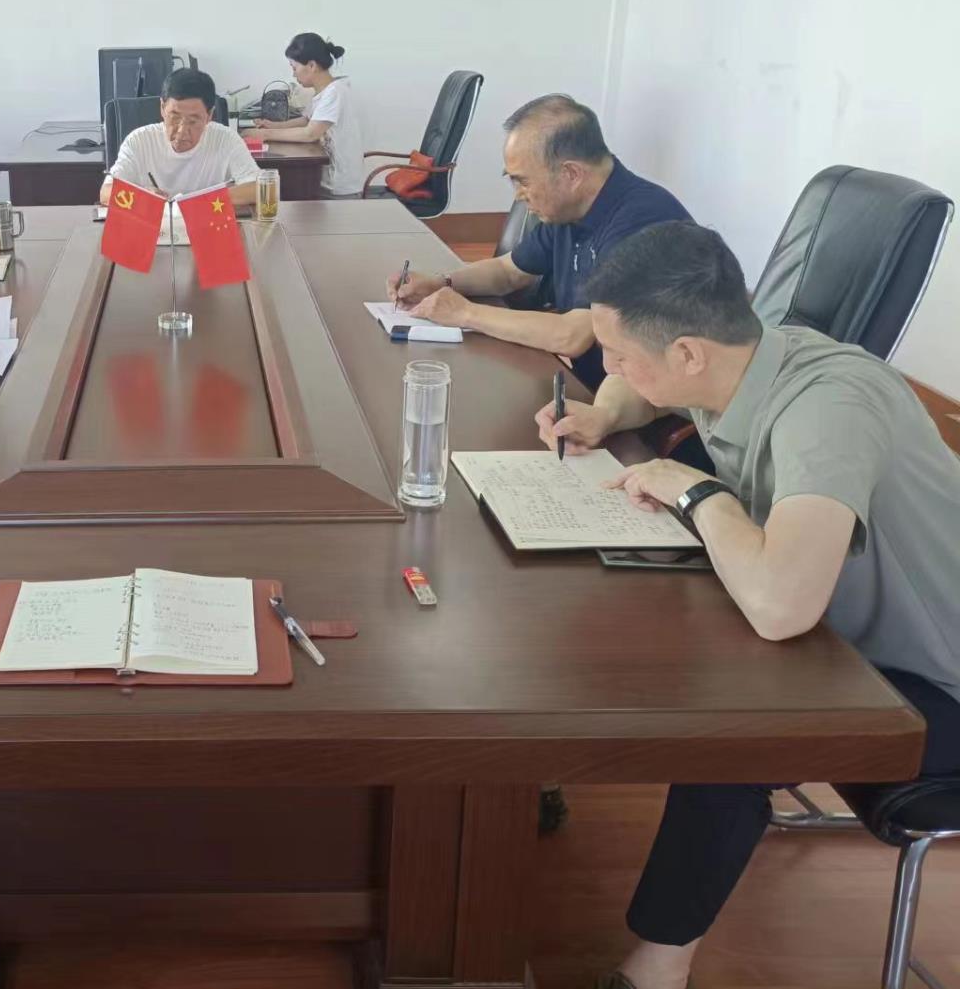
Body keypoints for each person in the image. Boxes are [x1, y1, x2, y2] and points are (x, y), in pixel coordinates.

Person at [531, 221, 960, 989]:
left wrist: (699, 492)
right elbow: (638, 387)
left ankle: (658, 971)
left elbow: (781, 607)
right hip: (848, 639)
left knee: (736, 727)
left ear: (688, 354)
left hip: (937, 683)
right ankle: (534, 773)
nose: (609, 368)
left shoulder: (828, 409)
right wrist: (605, 413)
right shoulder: (747, 352)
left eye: (619, 355)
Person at [387, 94, 688, 389]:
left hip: (646, 406)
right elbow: (509, 271)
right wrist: (441, 282)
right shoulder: (572, 208)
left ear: (571, 174)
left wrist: (466, 313)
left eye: (523, 181)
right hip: (593, 390)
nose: (519, 195)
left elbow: (573, 335)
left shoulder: (640, 223)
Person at [98, 68, 261, 207]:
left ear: (209, 115)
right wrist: (142, 196)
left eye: (193, 121)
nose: (182, 131)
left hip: (207, 229)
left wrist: (204, 202)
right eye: (174, 117)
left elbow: (259, 188)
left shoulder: (225, 139)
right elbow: (106, 193)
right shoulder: (139, 141)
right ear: (162, 108)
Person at [245, 32, 364, 197]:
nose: (294, 74)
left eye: (294, 68)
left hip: (340, 187)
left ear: (312, 65)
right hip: (327, 179)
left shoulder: (335, 92)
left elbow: (310, 133)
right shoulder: (323, 92)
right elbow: (306, 120)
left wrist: (265, 134)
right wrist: (274, 125)